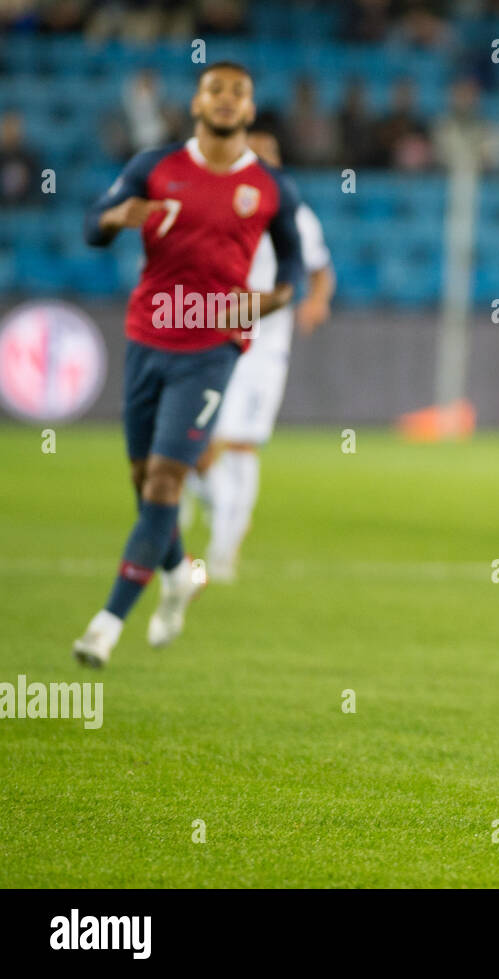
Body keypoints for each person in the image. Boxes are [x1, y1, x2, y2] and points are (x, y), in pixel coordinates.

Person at [73, 62, 303, 667]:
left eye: (238, 93)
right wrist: (114, 218)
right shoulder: (155, 166)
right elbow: (93, 224)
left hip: (213, 347)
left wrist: (266, 300)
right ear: (197, 103)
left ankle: (107, 622)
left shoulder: (272, 188)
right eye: (215, 90)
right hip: (148, 336)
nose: (226, 101)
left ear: (251, 111)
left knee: (167, 482)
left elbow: (294, 273)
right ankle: (179, 574)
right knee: (143, 482)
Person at [186, 129, 334, 582]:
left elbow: (320, 269)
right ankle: (218, 505)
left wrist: (318, 301)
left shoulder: (297, 216)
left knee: (241, 442)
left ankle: (224, 550)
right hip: (211, 340)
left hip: (263, 350)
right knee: (193, 445)